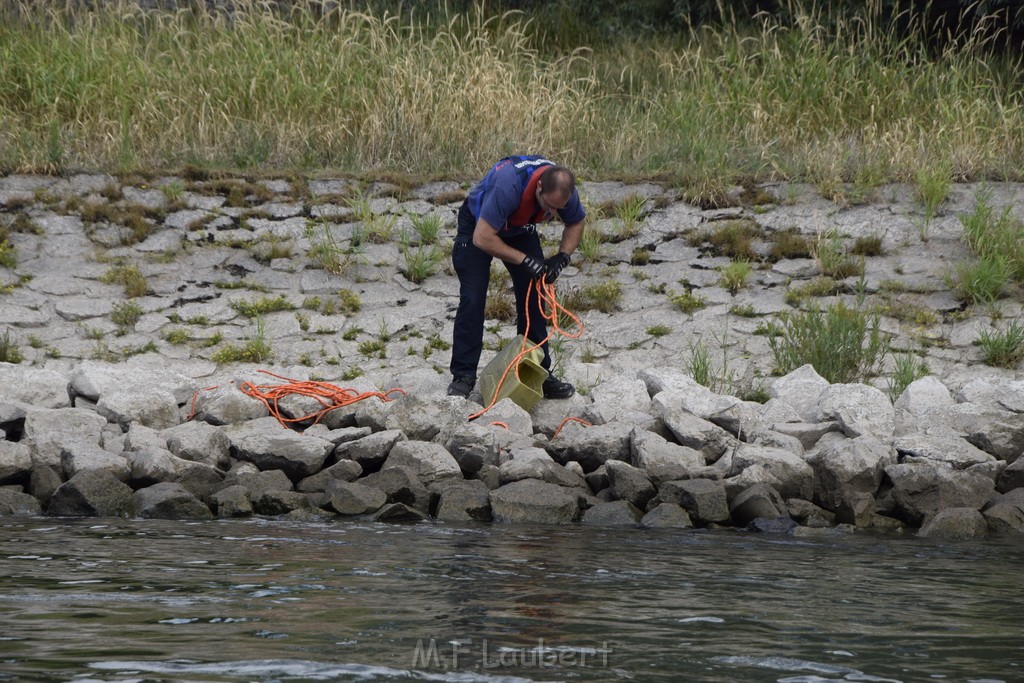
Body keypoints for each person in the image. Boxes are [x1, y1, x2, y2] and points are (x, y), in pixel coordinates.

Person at [447, 155, 586, 399]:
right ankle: (463, 375)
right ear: (540, 187)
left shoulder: (563, 191)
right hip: (479, 225)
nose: (553, 214)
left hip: (520, 228)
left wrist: (562, 257)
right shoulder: (508, 186)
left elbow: (576, 222)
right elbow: (483, 237)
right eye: (549, 206)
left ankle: (538, 372)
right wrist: (524, 260)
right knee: (473, 297)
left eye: (559, 209)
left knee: (534, 295)